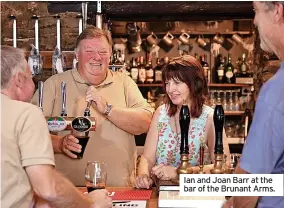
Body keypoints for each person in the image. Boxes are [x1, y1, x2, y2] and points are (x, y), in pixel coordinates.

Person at [31, 26, 153, 187]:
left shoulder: (124, 82)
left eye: (103, 52)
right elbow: (28, 132)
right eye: (89, 51)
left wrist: (107, 109)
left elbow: (144, 123)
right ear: (76, 55)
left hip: (119, 190)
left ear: (110, 55)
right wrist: (59, 144)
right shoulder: (54, 84)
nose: (97, 57)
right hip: (68, 193)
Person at [1, 45, 112, 208]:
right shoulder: (26, 113)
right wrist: (90, 204)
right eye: (30, 77)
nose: (33, 83)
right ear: (18, 79)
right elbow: (48, 188)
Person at [135, 55, 230, 189]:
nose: (170, 89)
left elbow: (223, 167)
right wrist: (143, 176)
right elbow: (147, 158)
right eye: (167, 83)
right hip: (162, 195)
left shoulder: (209, 117)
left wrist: (177, 173)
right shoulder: (161, 113)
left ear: (194, 83)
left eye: (177, 83)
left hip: (196, 197)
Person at [223, 2, 284, 208]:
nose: (255, 20)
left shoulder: (277, 91)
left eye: (256, 10)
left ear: (277, 11)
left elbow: (248, 187)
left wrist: (233, 204)